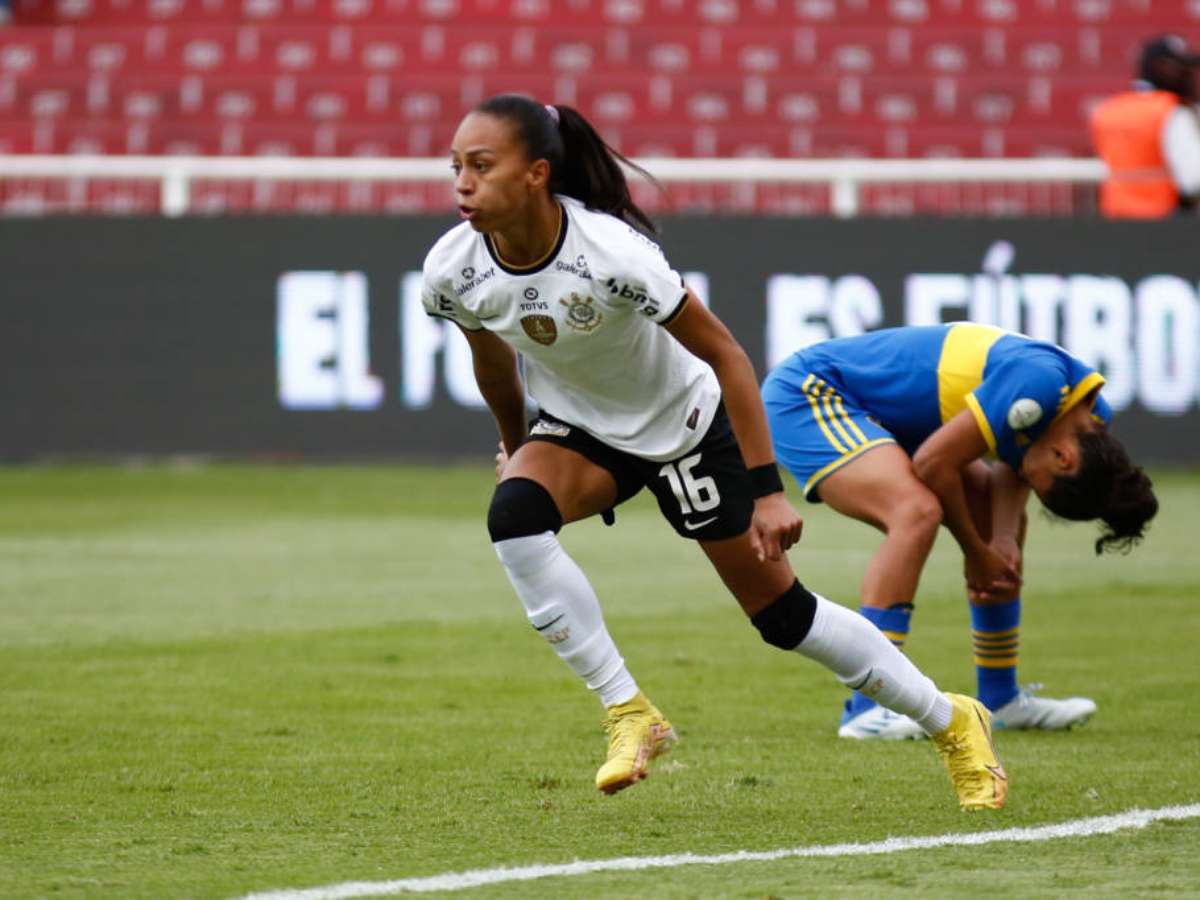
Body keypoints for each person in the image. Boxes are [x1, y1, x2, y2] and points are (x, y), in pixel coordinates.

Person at [421, 93, 1007, 810]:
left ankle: (952, 721)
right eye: (456, 166)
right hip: (585, 431)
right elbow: (492, 364)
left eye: (482, 165)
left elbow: (728, 356)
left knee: (783, 619)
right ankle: (630, 713)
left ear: (538, 173)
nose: (462, 182)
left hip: (685, 426)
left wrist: (766, 491)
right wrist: (515, 446)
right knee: (514, 519)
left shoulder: (612, 254)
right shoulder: (452, 268)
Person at [761, 324, 1158, 740]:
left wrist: (999, 542)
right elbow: (933, 464)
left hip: (899, 421)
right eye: (1037, 479)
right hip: (814, 393)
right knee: (915, 512)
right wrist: (975, 551)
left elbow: (1014, 467)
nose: (1027, 476)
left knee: (995, 527)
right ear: (1063, 456)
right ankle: (868, 707)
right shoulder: (1040, 385)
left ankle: (1000, 698)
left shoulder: (1086, 419)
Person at [1090, 34, 1200, 218]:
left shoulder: (1108, 109)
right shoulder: (1171, 111)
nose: (1189, 77)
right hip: (1164, 223)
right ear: (1163, 68)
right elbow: (1193, 179)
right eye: (1182, 69)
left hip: (1115, 220)